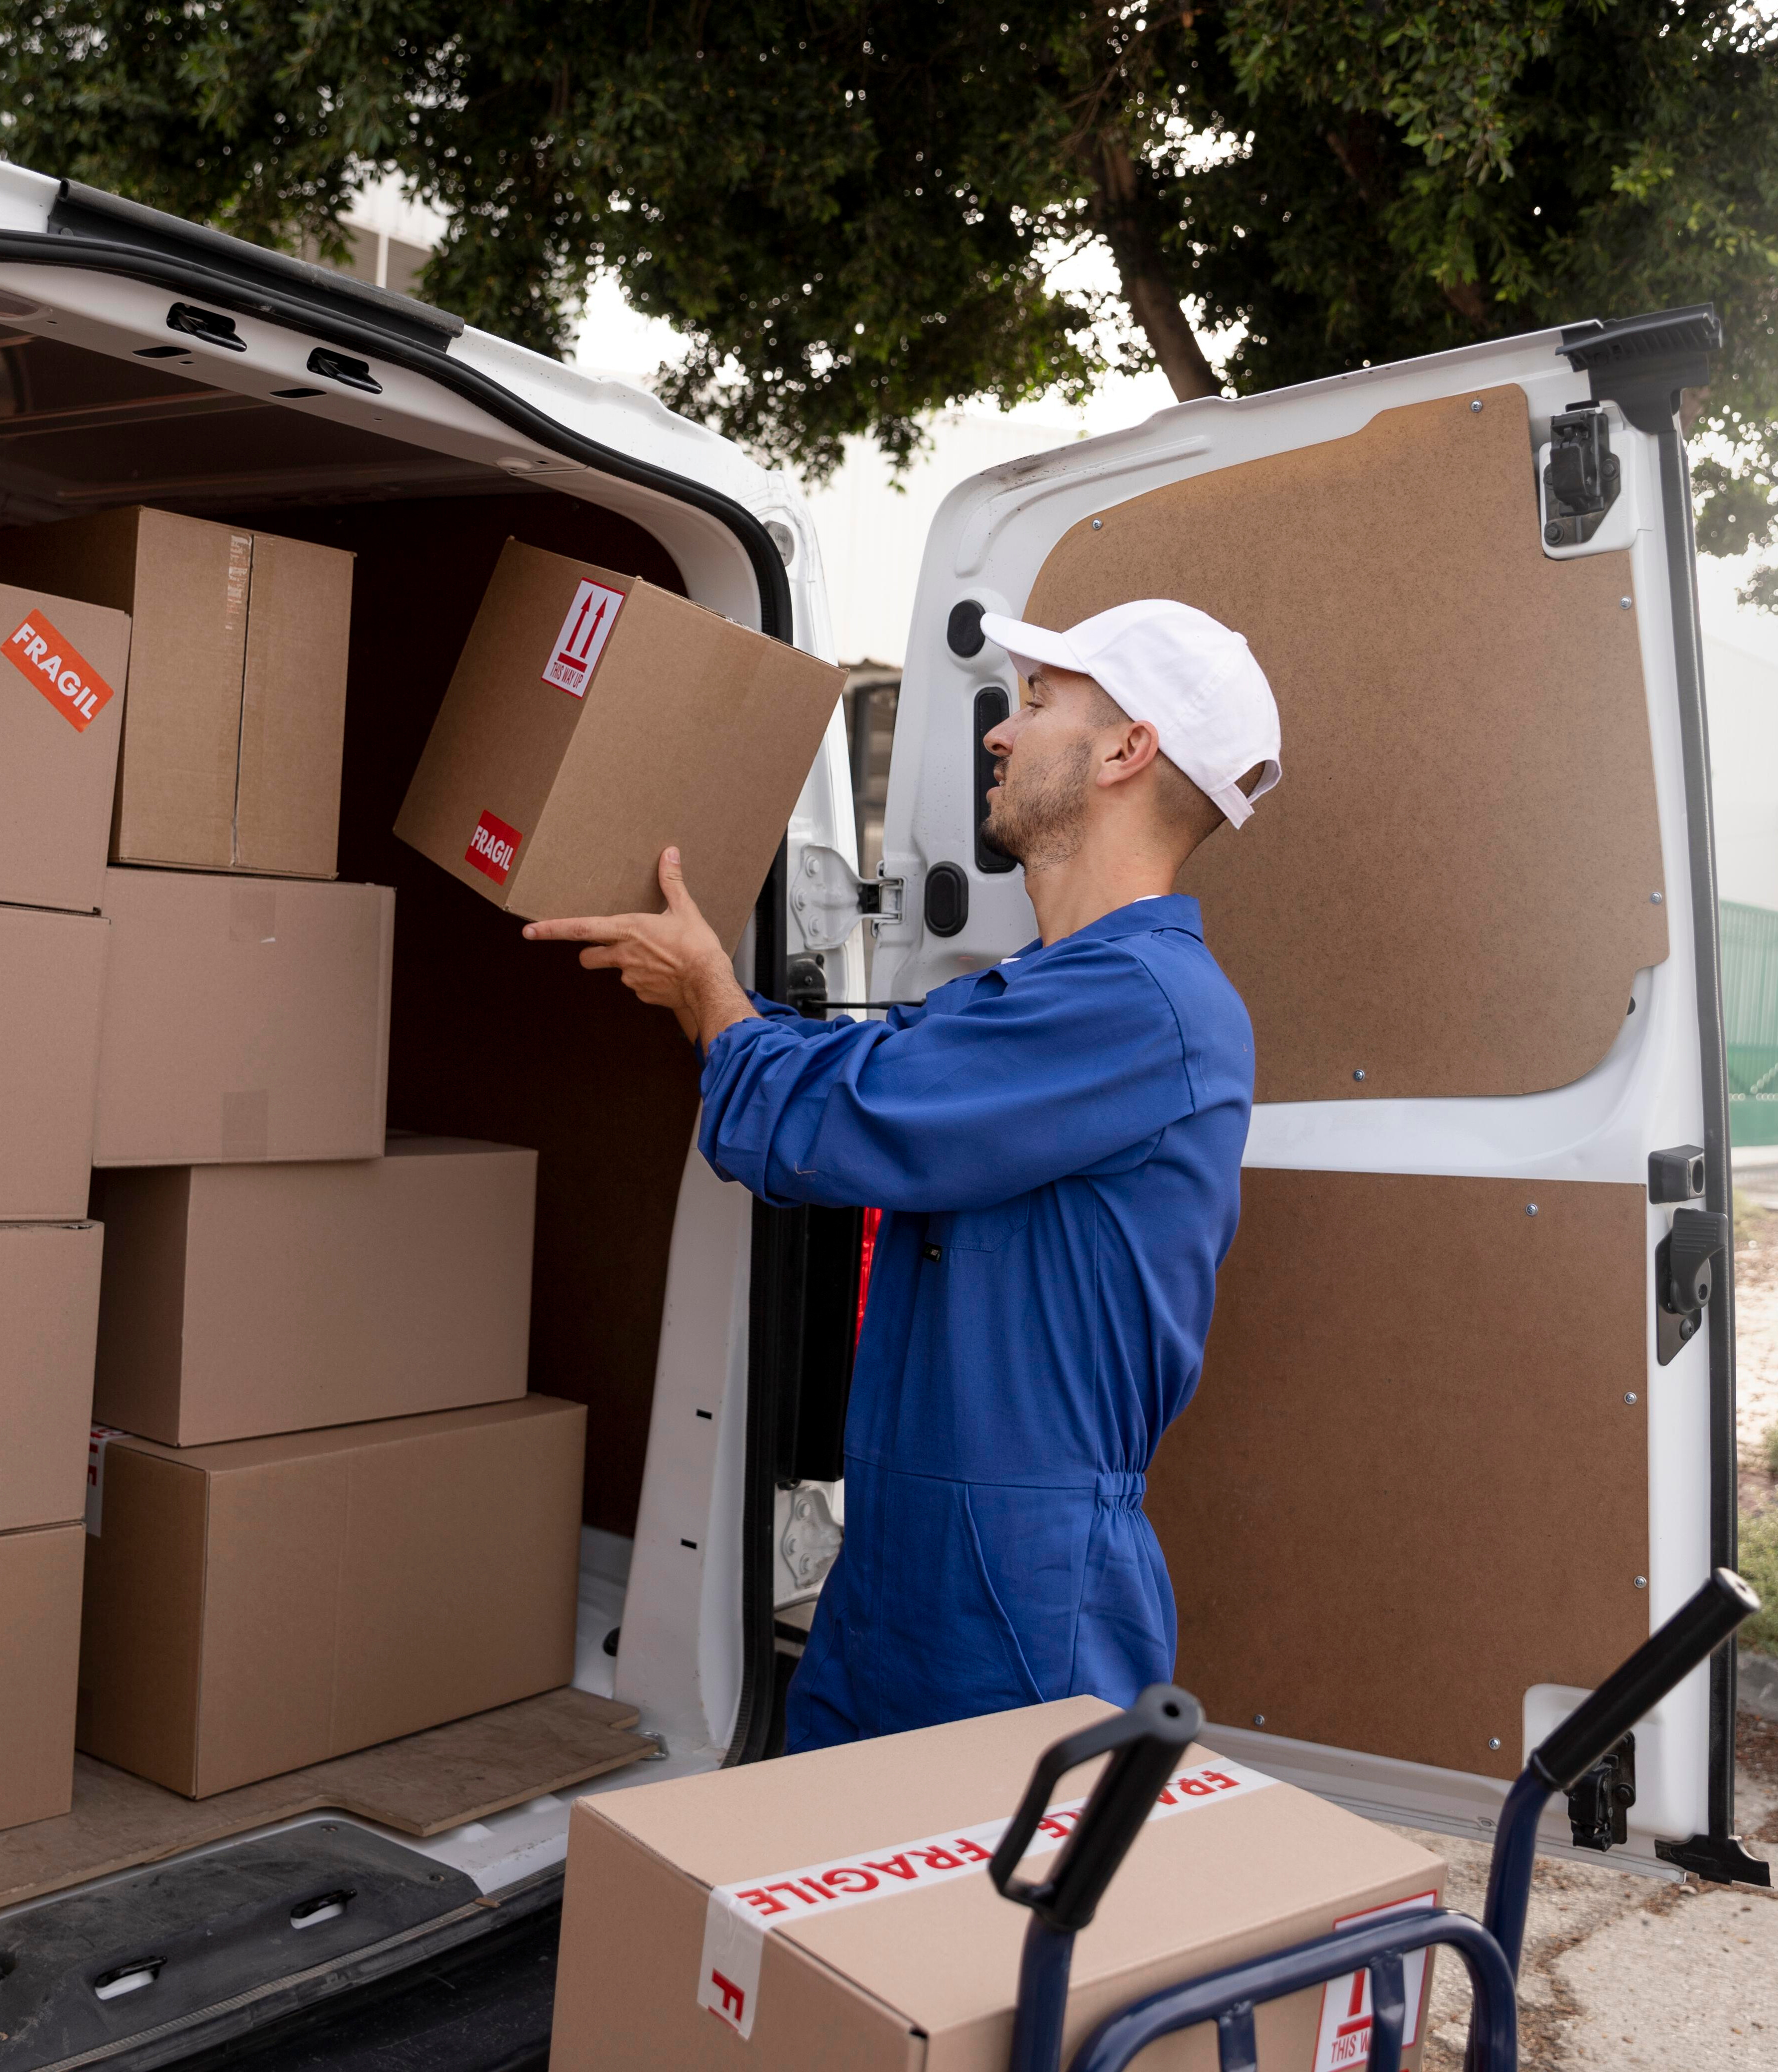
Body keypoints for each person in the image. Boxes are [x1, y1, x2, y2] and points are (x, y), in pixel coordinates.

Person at [525, 599, 1281, 1750]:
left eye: (1037, 704)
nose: (999, 731)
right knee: (836, 1892)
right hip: (910, 1548)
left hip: (1020, 1581)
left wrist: (709, 997)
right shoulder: (1045, 991)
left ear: (1130, 751)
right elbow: (870, 1071)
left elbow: (842, 1119)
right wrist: (724, 997)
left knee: (988, 1915)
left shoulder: (1140, 1006)